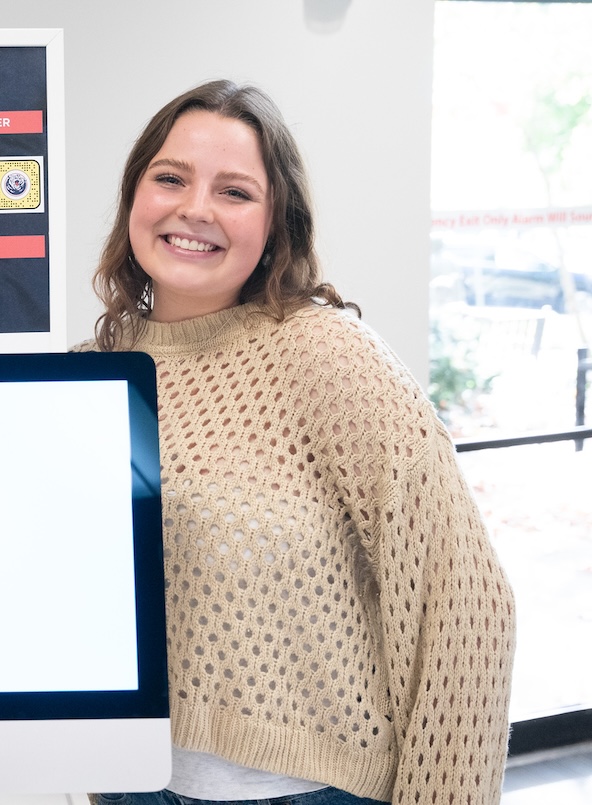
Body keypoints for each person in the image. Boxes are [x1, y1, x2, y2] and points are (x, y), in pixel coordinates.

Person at [79, 80, 515, 805]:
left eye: (235, 191)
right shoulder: (94, 374)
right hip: (130, 787)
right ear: (134, 198)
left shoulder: (326, 355)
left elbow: (467, 605)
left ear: (276, 224)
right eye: (171, 178)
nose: (195, 209)